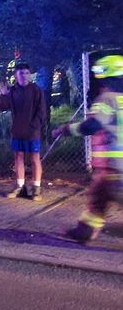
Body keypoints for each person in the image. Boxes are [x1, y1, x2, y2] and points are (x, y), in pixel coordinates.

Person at [52, 54, 123, 244]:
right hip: (114, 167)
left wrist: (64, 129)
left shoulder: (107, 99)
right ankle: (84, 231)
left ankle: (85, 231)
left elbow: (91, 126)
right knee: (98, 198)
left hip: (113, 165)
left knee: (101, 196)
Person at [0, 63, 48, 201]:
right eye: (21, 73)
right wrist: (3, 95)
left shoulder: (36, 90)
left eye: (26, 73)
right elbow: (3, 107)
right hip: (17, 131)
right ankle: (20, 186)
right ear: (16, 75)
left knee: (34, 158)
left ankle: (36, 188)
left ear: (30, 74)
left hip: (32, 131)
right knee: (18, 157)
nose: (24, 76)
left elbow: (42, 111)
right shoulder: (13, 91)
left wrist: (35, 126)